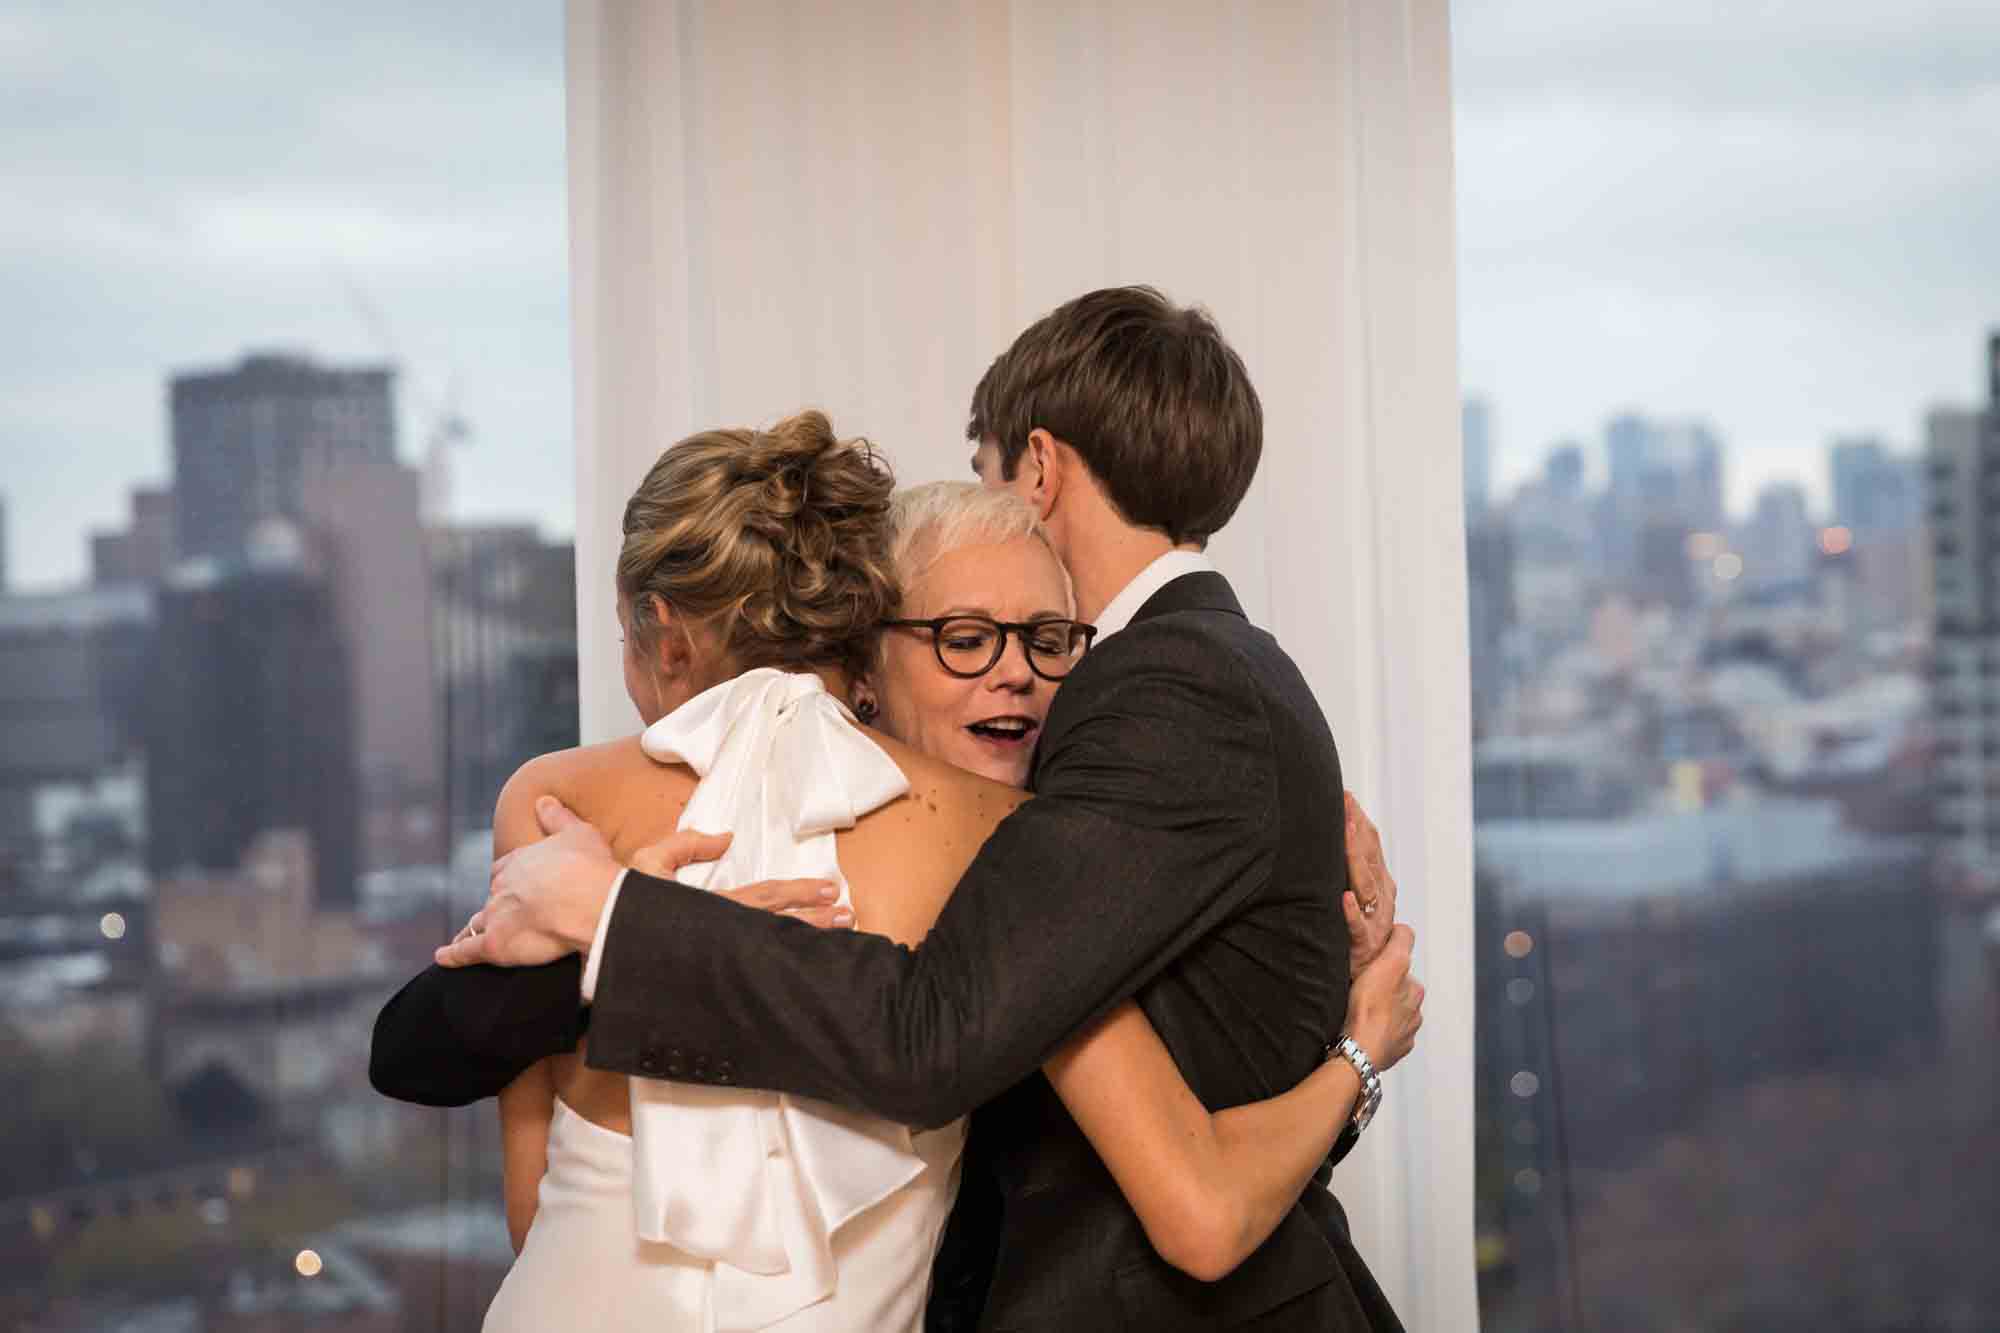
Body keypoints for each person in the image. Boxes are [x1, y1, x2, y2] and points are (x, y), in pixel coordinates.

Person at [387, 286, 1413, 1329]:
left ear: (1043, 467)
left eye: (1044, 638)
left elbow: (972, 1056)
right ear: (868, 661)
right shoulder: (1088, 764)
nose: (1014, 675)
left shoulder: (1126, 733)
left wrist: (615, 918)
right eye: (965, 637)